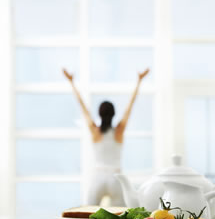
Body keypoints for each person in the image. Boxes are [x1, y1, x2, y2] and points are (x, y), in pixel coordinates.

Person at [63, 68, 150, 206]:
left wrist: (71, 82)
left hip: (98, 177)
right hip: (116, 178)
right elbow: (130, 107)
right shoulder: (118, 132)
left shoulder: (95, 132)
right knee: (120, 216)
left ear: (99, 114)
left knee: (89, 213)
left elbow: (82, 106)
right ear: (113, 114)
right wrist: (139, 81)